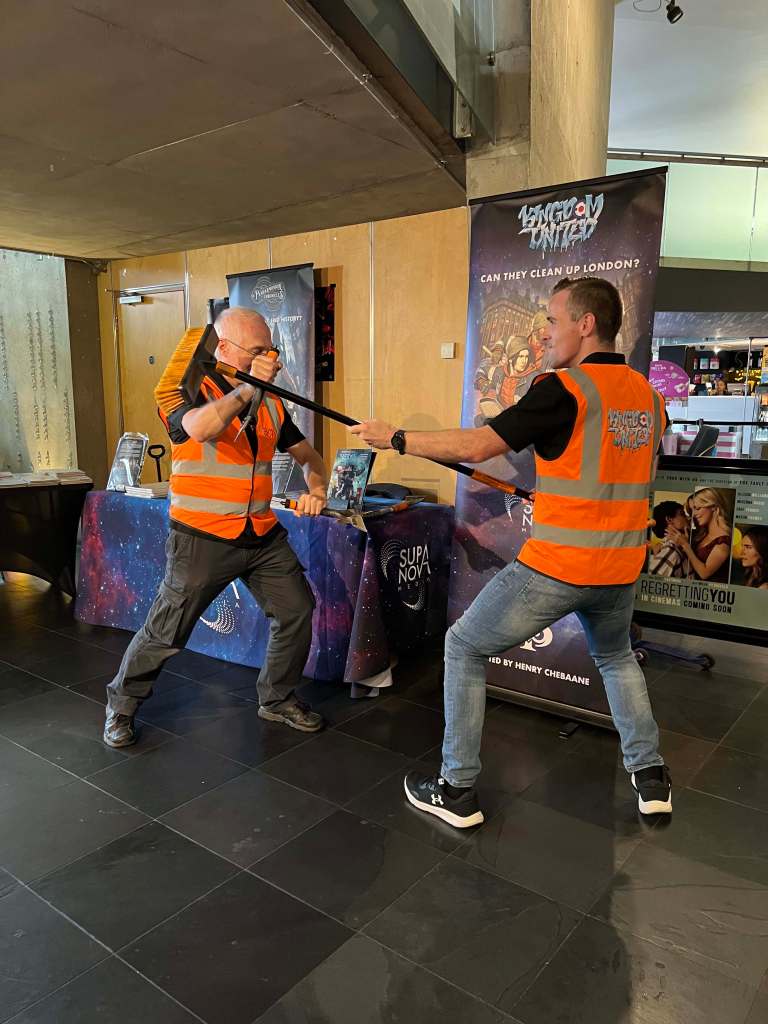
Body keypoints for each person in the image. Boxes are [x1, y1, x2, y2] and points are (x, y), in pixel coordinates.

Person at [352, 277, 671, 825]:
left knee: (464, 646)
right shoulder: (648, 396)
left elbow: (479, 445)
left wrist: (397, 438)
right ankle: (651, 778)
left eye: (552, 320)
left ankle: (457, 790)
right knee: (616, 657)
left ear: (585, 323)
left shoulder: (563, 389)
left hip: (560, 565)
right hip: (620, 566)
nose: (544, 332)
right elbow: (622, 475)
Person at [103, 307, 329, 748]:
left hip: (261, 534)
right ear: (224, 349)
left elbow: (311, 460)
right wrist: (248, 388)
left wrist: (317, 489)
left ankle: (277, 698)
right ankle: (121, 704)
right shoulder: (181, 388)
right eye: (259, 351)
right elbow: (200, 429)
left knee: (296, 609)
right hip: (201, 536)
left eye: (273, 351)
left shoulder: (273, 403)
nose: (272, 360)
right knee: (167, 630)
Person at [666, 487, 732, 583]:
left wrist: (685, 545)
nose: (694, 514)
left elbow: (704, 573)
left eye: (697, 508)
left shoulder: (723, 544)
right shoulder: (701, 534)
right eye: (691, 510)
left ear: (713, 506)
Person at [648, 500, 690, 577]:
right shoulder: (671, 550)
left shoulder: (677, 546)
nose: (687, 517)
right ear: (669, 519)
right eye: (682, 514)